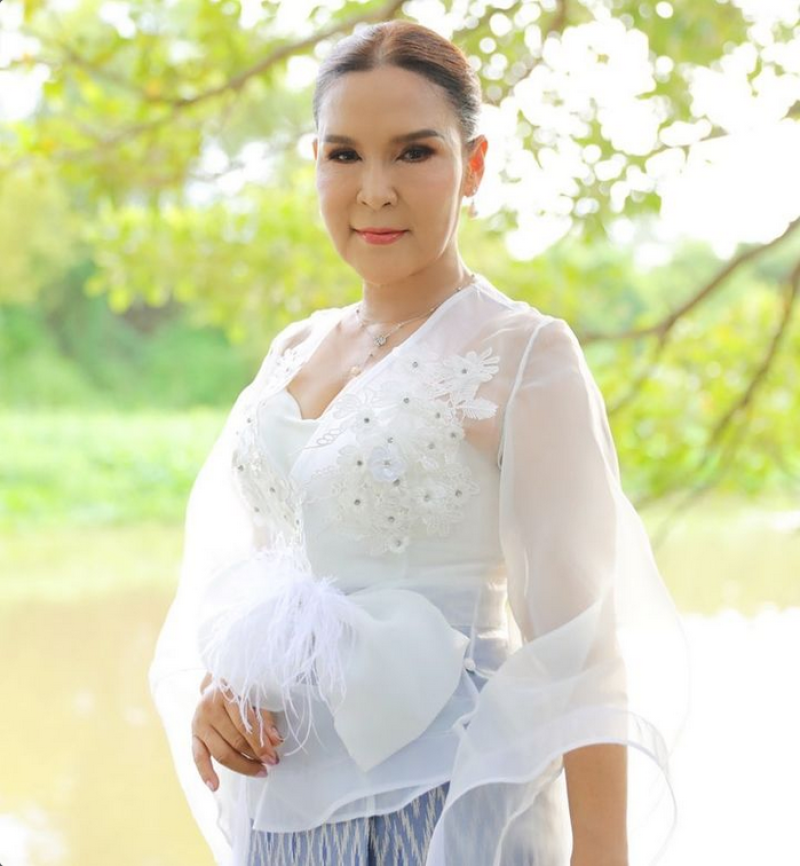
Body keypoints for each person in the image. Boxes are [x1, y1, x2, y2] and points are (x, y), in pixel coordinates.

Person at [149, 19, 689, 866]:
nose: (374, 191)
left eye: (413, 152)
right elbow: (273, 572)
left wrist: (601, 855)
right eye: (344, 155)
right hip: (281, 803)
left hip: (446, 802)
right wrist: (225, 689)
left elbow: (581, 647)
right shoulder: (295, 348)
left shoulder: (524, 354)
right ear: (316, 163)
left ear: (473, 166)